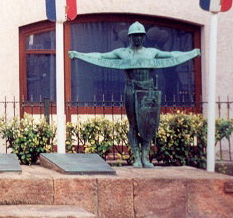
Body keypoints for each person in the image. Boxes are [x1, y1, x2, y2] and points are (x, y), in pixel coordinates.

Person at [69, 21, 200, 168]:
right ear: (129, 37)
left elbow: (172, 55)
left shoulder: (152, 52)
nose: (137, 39)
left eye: (140, 36)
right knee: (133, 125)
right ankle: (136, 156)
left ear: (143, 37)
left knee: (148, 124)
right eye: (134, 36)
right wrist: (79, 54)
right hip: (131, 88)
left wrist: (191, 53)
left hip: (148, 89)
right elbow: (101, 56)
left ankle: (145, 157)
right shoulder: (122, 52)